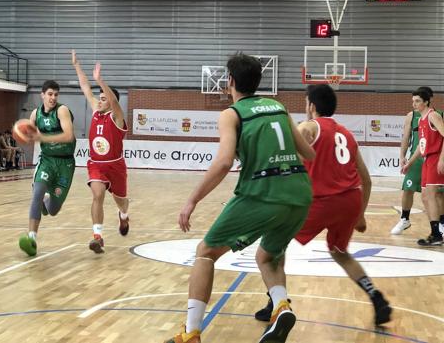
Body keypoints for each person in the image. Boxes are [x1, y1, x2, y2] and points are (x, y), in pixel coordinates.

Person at [165, 53, 315, 343]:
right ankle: (281, 306)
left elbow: (223, 163)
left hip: (262, 192)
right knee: (268, 256)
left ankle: (191, 333)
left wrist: (192, 200)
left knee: (205, 252)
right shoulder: (279, 107)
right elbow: (308, 153)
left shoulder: (231, 114)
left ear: (230, 81)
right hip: (299, 194)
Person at [254, 84, 392, 327]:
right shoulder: (347, 134)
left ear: (312, 106)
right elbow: (366, 179)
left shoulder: (307, 128)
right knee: (340, 252)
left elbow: (286, 163)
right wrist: (360, 215)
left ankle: (276, 302)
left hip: (320, 202)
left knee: (274, 245)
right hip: (349, 201)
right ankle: (375, 296)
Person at [73, 50, 130, 254]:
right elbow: (85, 87)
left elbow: (114, 102)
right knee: (97, 195)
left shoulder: (118, 117)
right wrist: (77, 65)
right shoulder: (96, 111)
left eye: (104, 98)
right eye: (100, 97)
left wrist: (101, 80)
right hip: (96, 164)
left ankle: (123, 215)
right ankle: (97, 236)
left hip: (116, 165)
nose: (100, 100)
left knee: (121, 201)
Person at [18, 80, 76, 256]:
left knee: (53, 210)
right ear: (42, 95)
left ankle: (47, 201)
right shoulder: (35, 114)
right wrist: (24, 136)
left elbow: (68, 136)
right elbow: (30, 135)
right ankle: (32, 239)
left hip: (65, 163)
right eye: (50, 94)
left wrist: (41, 137)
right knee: (37, 192)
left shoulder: (62, 110)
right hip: (47, 160)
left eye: (56, 95)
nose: (53, 98)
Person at [402, 88, 444, 246]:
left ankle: (436, 234)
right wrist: (409, 163)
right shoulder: (420, 120)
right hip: (427, 159)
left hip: (435, 158)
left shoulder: (433, 116)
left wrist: (442, 159)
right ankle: (435, 232)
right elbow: (421, 146)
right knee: (425, 196)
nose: (414, 104)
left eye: (417, 101)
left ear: (426, 101)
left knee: (432, 195)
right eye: (413, 101)